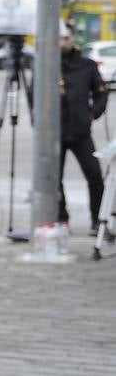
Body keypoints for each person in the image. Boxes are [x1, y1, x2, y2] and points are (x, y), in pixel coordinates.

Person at [56, 24, 108, 234]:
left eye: (65, 38)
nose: (62, 43)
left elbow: (101, 92)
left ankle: (97, 219)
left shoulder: (86, 65)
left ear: (72, 39)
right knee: (53, 179)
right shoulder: (48, 64)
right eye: (58, 38)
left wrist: (92, 113)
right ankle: (61, 219)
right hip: (55, 133)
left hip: (80, 131)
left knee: (95, 176)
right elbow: (34, 96)